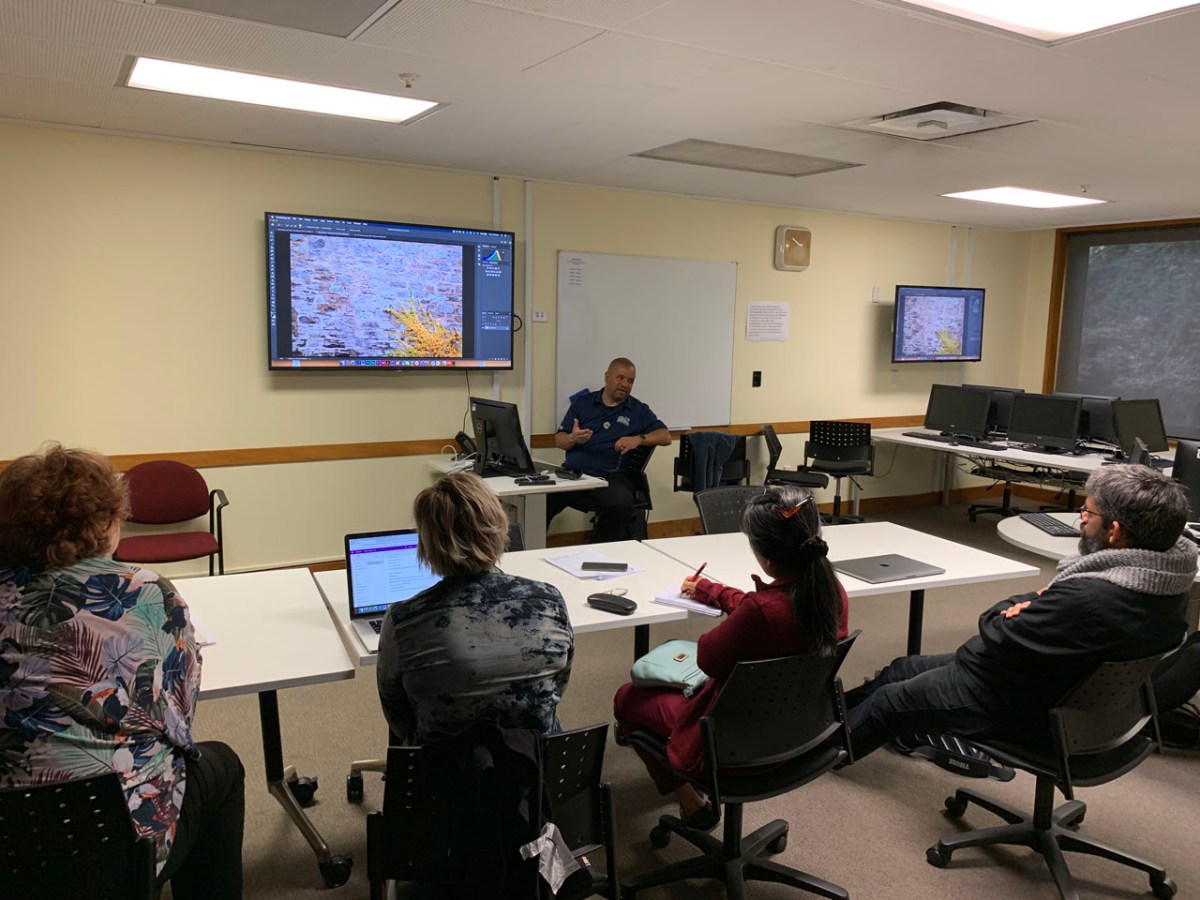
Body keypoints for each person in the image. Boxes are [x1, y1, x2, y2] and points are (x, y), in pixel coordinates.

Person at [0, 444, 244, 899]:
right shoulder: (147, 594)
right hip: (118, 849)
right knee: (220, 765)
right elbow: (178, 721)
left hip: (11, 848)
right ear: (106, 523)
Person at [846, 463, 1198, 761]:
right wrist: (1043, 599)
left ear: (1115, 532)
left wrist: (1034, 598)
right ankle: (830, 717)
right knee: (901, 669)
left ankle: (829, 749)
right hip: (1057, 693)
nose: (1081, 518)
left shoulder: (1088, 597)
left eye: (1088, 513)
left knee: (890, 700)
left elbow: (994, 627)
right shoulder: (1168, 586)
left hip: (1009, 701)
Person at [613, 486, 850, 829]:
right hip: (801, 735)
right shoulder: (831, 592)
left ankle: (691, 801)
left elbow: (708, 658)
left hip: (730, 746)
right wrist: (710, 591)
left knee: (627, 698)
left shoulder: (761, 613)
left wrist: (730, 607)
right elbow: (765, 609)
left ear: (766, 557)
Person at [377, 470, 574, 744]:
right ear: (499, 526)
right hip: (535, 759)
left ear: (427, 543)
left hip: (443, 765)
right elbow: (556, 687)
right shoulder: (549, 601)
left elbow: (397, 715)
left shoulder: (403, 620)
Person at [548, 357, 671, 542]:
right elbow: (559, 440)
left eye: (630, 381)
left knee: (620, 503)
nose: (625, 384)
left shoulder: (637, 410)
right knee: (541, 499)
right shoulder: (583, 403)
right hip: (575, 474)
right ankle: (527, 549)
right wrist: (573, 438)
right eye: (620, 378)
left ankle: (601, 548)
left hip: (611, 477)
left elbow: (665, 436)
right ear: (607, 377)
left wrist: (639, 438)